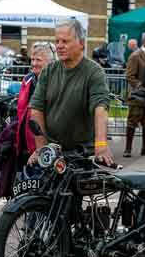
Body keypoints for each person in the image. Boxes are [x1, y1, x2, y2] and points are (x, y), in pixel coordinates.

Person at [28, 19, 113, 167]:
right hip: (53, 152)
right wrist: (41, 149)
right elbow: (36, 110)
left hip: (82, 153)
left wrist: (101, 145)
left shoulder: (94, 72)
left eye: (65, 41)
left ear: (81, 43)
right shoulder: (49, 71)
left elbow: (100, 109)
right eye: (57, 41)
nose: (59, 46)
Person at [15, 41, 55, 169]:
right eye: (32, 59)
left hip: (45, 145)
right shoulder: (27, 80)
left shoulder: (55, 81)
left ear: (50, 62)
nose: (34, 63)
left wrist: (40, 149)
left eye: (38, 60)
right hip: (25, 143)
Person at [123, 31, 145, 158]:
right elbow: (129, 76)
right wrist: (141, 87)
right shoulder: (136, 56)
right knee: (132, 123)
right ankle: (128, 149)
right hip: (137, 96)